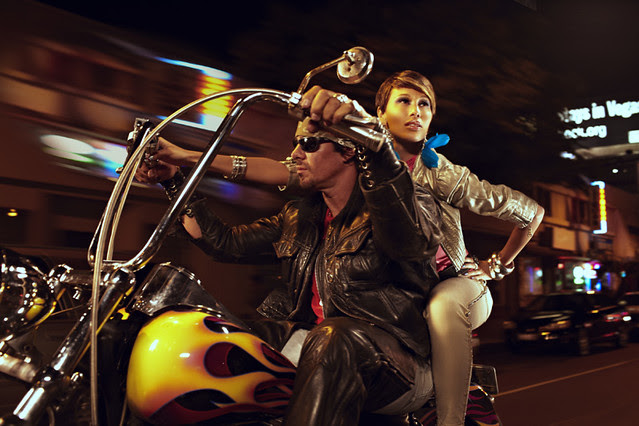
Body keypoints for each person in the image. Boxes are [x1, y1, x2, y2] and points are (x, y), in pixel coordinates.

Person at [144, 70, 545, 425]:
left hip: (424, 310)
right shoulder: (303, 212)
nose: (416, 111)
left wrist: (495, 265)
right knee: (224, 339)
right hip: (331, 340)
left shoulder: (430, 181)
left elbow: (409, 236)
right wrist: (178, 170)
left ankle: (450, 416)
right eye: (404, 101)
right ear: (381, 115)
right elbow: (234, 229)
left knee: (439, 307)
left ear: (352, 149)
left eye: (424, 104)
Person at [136, 117, 443, 425]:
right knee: (208, 338)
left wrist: (376, 147)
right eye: (296, 144)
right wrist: (173, 180)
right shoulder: (300, 215)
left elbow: (412, 242)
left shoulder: (406, 204)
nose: (295, 154)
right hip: (315, 345)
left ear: (348, 151)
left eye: (308, 144)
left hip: (398, 364)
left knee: (334, 338)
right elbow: (225, 242)